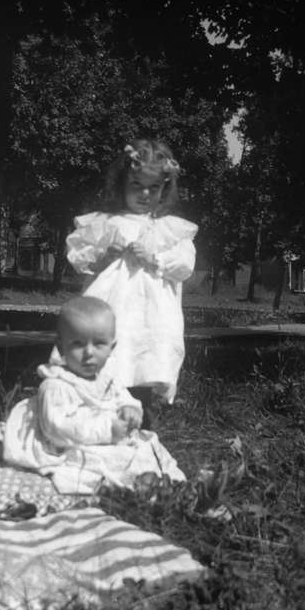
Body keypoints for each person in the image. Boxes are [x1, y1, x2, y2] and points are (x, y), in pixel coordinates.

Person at [65, 139, 198, 424]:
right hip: (113, 309)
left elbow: (185, 265)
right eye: (136, 185)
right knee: (111, 363)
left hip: (152, 315)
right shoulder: (107, 223)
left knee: (147, 362)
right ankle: (99, 429)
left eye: (154, 187)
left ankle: (144, 430)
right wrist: (103, 258)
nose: (145, 194)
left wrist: (154, 258)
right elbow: (80, 257)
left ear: (164, 190)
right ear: (122, 185)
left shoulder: (169, 230)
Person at [3, 295, 185, 494]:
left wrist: (130, 408)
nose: (89, 352)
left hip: (106, 436)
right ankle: (131, 488)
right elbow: (57, 427)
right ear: (61, 346)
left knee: (147, 445)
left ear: (111, 348)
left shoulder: (105, 378)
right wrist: (107, 430)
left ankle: (157, 484)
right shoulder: (56, 385)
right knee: (102, 462)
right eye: (78, 344)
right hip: (69, 444)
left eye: (99, 344)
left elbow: (122, 396)